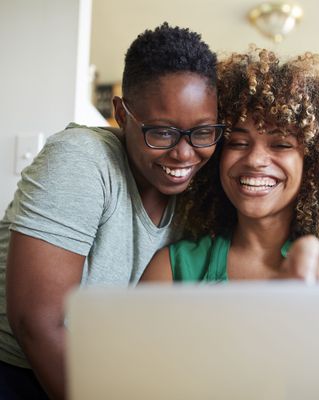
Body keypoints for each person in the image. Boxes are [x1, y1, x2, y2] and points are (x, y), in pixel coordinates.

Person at [0, 23, 222, 399]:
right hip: (18, 369)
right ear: (122, 113)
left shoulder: (200, 191)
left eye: (202, 132)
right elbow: (36, 322)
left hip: (98, 367)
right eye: (162, 132)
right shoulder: (82, 159)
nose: (184, 154)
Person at [141, 48, 319, 283]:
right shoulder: (172, 270)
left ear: (315, 161)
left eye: (281, 145)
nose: (254, 159)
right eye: (238, 142)